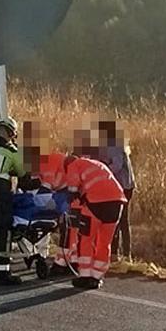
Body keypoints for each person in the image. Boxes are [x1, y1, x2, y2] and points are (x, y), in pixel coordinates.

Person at [37, 148, 127, 289]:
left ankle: (85, 275)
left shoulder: (74, 165)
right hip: (117, 202)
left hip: (96, 202)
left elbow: (72, 190)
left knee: (86, 239)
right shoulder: (97, 164)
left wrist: (62, 204)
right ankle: (96, 277)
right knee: (104, 242)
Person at [92, 120, 136, 258]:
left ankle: (123, 253)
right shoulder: (105, 145)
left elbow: (116, 165)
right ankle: (117, 252)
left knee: (120, 219)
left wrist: (101, 171)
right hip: (117, 185)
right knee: (117, 219)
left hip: (123, 186)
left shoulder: (114, 145)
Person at [0, 116, 26, 282]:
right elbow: (23, 174)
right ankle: (1, 272)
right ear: (12, 133)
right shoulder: (12, 151)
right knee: (3, 230)